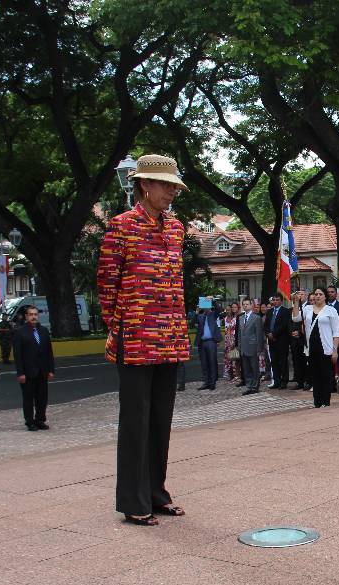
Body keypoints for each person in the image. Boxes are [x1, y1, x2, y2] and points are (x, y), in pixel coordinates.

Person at [97, 153, 189, 526]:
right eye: (164, 185)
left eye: (173, 186)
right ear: (144, 185)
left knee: (160, 420)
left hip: (170, 337)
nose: (170, 192)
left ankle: (156, 492)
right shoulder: (121, 226)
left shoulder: (177, 228)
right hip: (135, 337)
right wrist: (119, 327)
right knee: (135, 421)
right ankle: (133, 500)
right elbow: (106, 284)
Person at [13, 305, 55, 431]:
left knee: (42, 398)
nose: (33, 317)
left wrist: (51, 370)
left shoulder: (43, 331)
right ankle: (30, 422)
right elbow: (18, 355)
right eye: (31, 314)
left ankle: (40, 420)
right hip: (28, 372)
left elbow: (49, 352)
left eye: (35, 314)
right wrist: (20, 373)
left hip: (42, 371)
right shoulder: (20, 332)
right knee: (28, 399)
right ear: (26, 317)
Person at [302, 288, 339, 408]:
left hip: (325, 347)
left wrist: (335, 350)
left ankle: (325, 401)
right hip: (312, 347)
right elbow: (295, 318)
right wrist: (296, 302)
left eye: (320, 294)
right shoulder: (307, 309)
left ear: (325, 297)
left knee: (325, 375)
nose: (318, 296)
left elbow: (336, 332)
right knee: (315, 375)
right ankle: (316, 402)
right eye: (316, 294)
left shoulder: (331, 310)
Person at [236, 297, 265, 395]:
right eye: (244, 304)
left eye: (247, 304)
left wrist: (259, 348)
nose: (245, 306)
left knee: (254, 368)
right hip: (243, 347)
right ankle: (249, 386)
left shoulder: (256, 318)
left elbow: (259, 334)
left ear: (252, 305)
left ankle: (255, 386)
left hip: (253, 347)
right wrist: (239, 347)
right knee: (246, 368)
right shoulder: (240, 318)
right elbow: (239, 334)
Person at [264, 293, 291, 389]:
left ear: (281, 301)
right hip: (271, 341)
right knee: (274, 361)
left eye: (277, 300)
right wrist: (268, 333)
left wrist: (274, 334)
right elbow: (266, 324)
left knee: (282, 361)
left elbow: (284, 325)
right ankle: (276, 380)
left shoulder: (286, 311)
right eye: (274, 300)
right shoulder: (270, 311)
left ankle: (284, 381)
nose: (275, 302)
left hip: (281, 340)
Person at [194, 299, 221, 390]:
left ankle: (212, 383)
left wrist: (212, 301)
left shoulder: (213, 314)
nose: (205, 307)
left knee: (212, 362)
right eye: (204, 305)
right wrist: (196, 312)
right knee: (204, 363)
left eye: (206, 305)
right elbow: (192, 323)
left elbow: (219, 309)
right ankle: (206, 382)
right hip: (202, 342)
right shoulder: (200, 316)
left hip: (211, 341)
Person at [289, 290, 308, 389]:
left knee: (305, 361)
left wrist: (300, 333)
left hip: (304, 339)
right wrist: (292, 332)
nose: (300, 296)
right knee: (297, 361)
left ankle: (306, 381)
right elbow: (291, 322)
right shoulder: (293, 308)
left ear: (306, 296)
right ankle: (299, 381)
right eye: (298, 294)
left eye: (302, 294)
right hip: (294, 340)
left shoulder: (308, 307)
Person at [223, 302, 240, 383]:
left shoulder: (238, 317)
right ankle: (231, 375)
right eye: (231, 308)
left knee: (235, 358)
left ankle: (237, 375)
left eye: (234, 307)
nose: (232, 309)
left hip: (235, 340)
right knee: (228, 358)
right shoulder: (226, 318)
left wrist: (234, 341)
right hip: (227, 341)